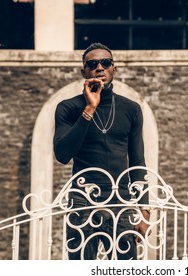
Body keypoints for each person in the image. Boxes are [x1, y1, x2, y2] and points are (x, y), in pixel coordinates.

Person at [53, 42, 150, 260]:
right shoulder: (68, 108)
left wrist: (144, 210)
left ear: (113, 69)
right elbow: (62, 154)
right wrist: (89, 109)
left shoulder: (131, 109)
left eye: (105, 63)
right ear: (83, 71)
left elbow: (137, 161)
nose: (99, 67)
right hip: (82, 200)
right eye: (93, 64)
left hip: (121, 200)